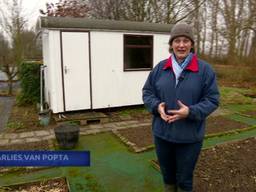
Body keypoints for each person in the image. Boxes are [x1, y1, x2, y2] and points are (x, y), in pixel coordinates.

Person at [142, 22, 219, 192]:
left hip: (189, 138)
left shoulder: (205, 70)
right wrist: (156, 107)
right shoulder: (160, 68)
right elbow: (147, 92)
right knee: (168, 177)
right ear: (171, 44)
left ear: (192, 44)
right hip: (162, 135)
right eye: (177, 41)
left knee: (184, 180)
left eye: (186, 40)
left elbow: (213, 100)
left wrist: (190, 112)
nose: (181, 45)